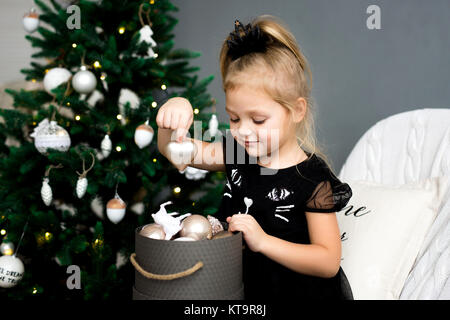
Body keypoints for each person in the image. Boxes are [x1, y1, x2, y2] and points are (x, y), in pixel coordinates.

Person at [156, 15, 353, 300]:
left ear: (297, 110)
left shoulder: (313, 178)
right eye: (234, 118)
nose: (243, 131)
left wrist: (263, 242)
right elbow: (177, 153)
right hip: (236, 288)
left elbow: (328, 262)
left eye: (258, 120)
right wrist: (173, 116)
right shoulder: (238, 153)